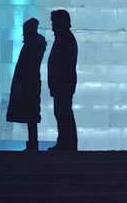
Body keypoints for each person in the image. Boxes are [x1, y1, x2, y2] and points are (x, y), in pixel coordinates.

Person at [6, 17, 46, 151]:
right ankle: (32, 143)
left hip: (28, 83)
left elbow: (25, 67)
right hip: (31, 82)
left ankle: (32, 144)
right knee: (31, 114)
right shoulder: (35, 45)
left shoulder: (31, 46)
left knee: (31, 114)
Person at [46, 9, 78, 151]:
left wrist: (56, 80)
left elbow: (63, 63)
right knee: (62, 112)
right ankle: (66, 142)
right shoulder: (64, 38)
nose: (52, 25)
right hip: (62, 82)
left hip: (63, 83)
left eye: (54, 22)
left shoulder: (65, 39)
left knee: (63, 112)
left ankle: (67, 143)